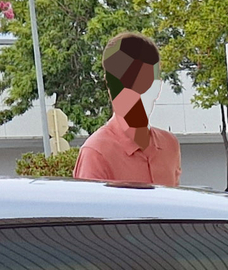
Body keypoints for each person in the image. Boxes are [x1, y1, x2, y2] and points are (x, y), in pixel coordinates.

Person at [73, 32, 181, 187]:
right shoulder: (96, 152)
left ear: (158, 87)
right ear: (110, 86)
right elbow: (89, 210)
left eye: (144, 83)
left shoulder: (170, 145)